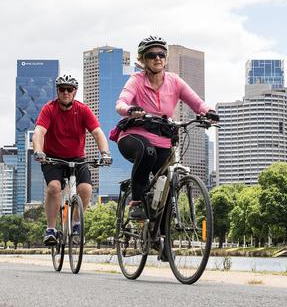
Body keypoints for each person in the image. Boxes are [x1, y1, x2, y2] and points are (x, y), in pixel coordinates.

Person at [114, 35, 218, 220]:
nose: (157, 58)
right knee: (147, 152)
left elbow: (196, 102)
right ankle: (136, 202)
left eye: (161, 54)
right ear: (143, 59)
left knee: (168, 186)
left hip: (163, 138)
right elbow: (121, 103)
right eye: (152, 55)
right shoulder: (136, 80)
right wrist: (130, 110)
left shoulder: (175, 81)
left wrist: (208, 111)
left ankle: (161, 239)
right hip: (134, 136)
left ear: (166, 58)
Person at [32, 74, 112, 246]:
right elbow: (39, 132)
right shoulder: (49, 109)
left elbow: (97, 132)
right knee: (54, 188)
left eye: (70, 89)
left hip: (77, 158)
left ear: (75, 92)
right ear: (58, 91)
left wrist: (105, 153)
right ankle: (51, 229)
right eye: (62, 89)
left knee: (86, 189)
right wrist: (38, 151)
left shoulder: (82, 110)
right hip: (53, 158)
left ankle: (75, 223)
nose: (66, 92)